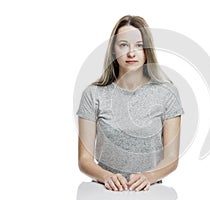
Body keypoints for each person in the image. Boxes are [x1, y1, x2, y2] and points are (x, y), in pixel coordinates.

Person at [76, 15, 184, 194]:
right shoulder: (93, 94)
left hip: (150, 192)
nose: (131, 53)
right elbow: (84, 159)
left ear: (147, 50)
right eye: (123, 45)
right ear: (113, 51)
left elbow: (172, 158)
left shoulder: (167, 93)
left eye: (139, 45)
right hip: (105, 192)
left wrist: (148, 176)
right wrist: (107, 176)